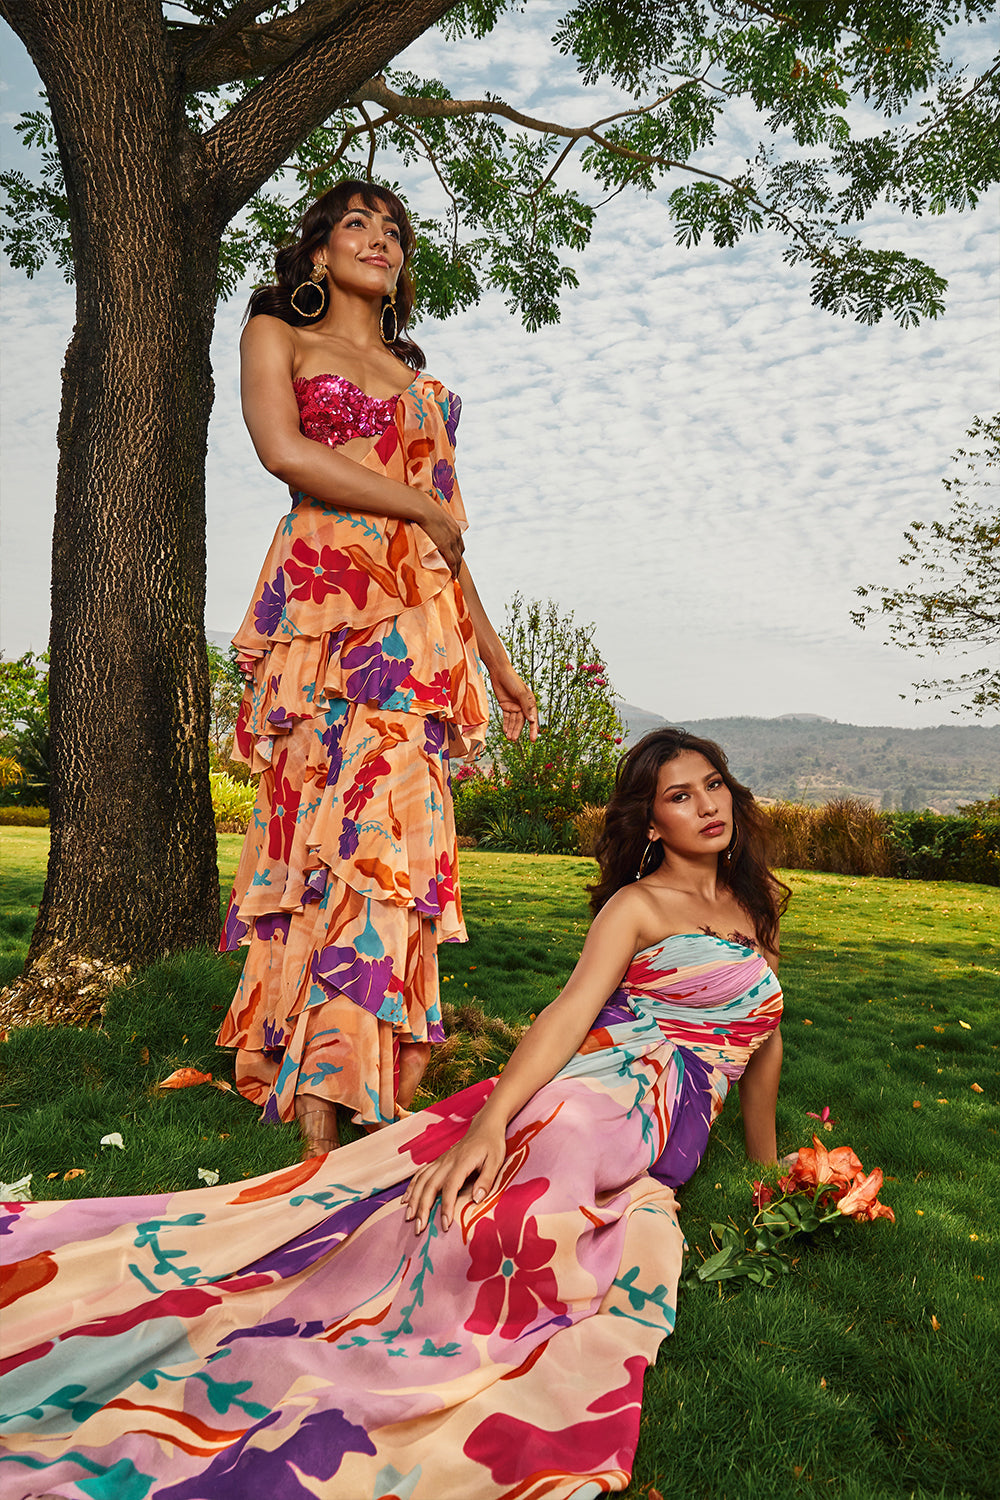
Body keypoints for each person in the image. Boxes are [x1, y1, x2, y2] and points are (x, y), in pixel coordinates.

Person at [0, 728, 788, 1500]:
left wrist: (764, 1163)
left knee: (540, 1187)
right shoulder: (638, 905)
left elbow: (763, 1042)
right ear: (653, 824)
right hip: (603, 1090)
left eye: (713, 785)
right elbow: (567, 1014)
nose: (707, 806)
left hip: (662, 1119)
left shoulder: (753, 906)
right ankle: (410, 1323)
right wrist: (487, 1124)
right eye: (680, 797)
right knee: (517, 1181)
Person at [215, 180, 537, 1156]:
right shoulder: (277, 332)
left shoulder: (417, 380)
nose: (378, 239)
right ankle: (320, 1113)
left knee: (392, 845)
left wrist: (495, 653)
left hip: (417, 635)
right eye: (355, 223)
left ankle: (355, 1086)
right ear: (317, 254)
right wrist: (423, 513)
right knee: (316, 837)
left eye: (392, 229)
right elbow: (283, 452)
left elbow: (446, 543)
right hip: (318, 618)